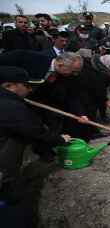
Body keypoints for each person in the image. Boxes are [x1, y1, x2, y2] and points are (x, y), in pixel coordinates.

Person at [0, 66, 71, 227]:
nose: (30, 89)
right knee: (12, 207)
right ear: (9, 86)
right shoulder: (9, 107)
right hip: (3, 171)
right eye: (26, 85)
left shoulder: (8, 102)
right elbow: (34, 130)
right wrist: (60, 138)